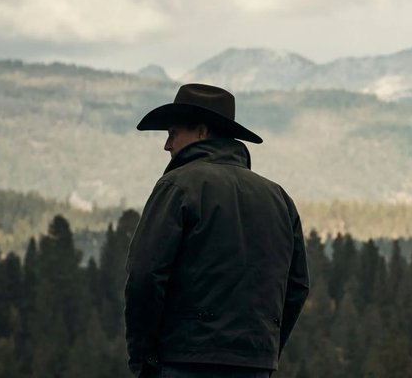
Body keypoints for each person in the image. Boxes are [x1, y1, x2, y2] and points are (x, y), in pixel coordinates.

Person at [125, 83, 309, 377]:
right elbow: (296, 287)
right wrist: (264, 351)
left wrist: (143, 357)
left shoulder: (178, 186)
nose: (167, 145)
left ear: (201, 131)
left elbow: (144, 275)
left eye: (173, 133)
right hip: (255, 365)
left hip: (183, 361)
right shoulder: (279, 198)